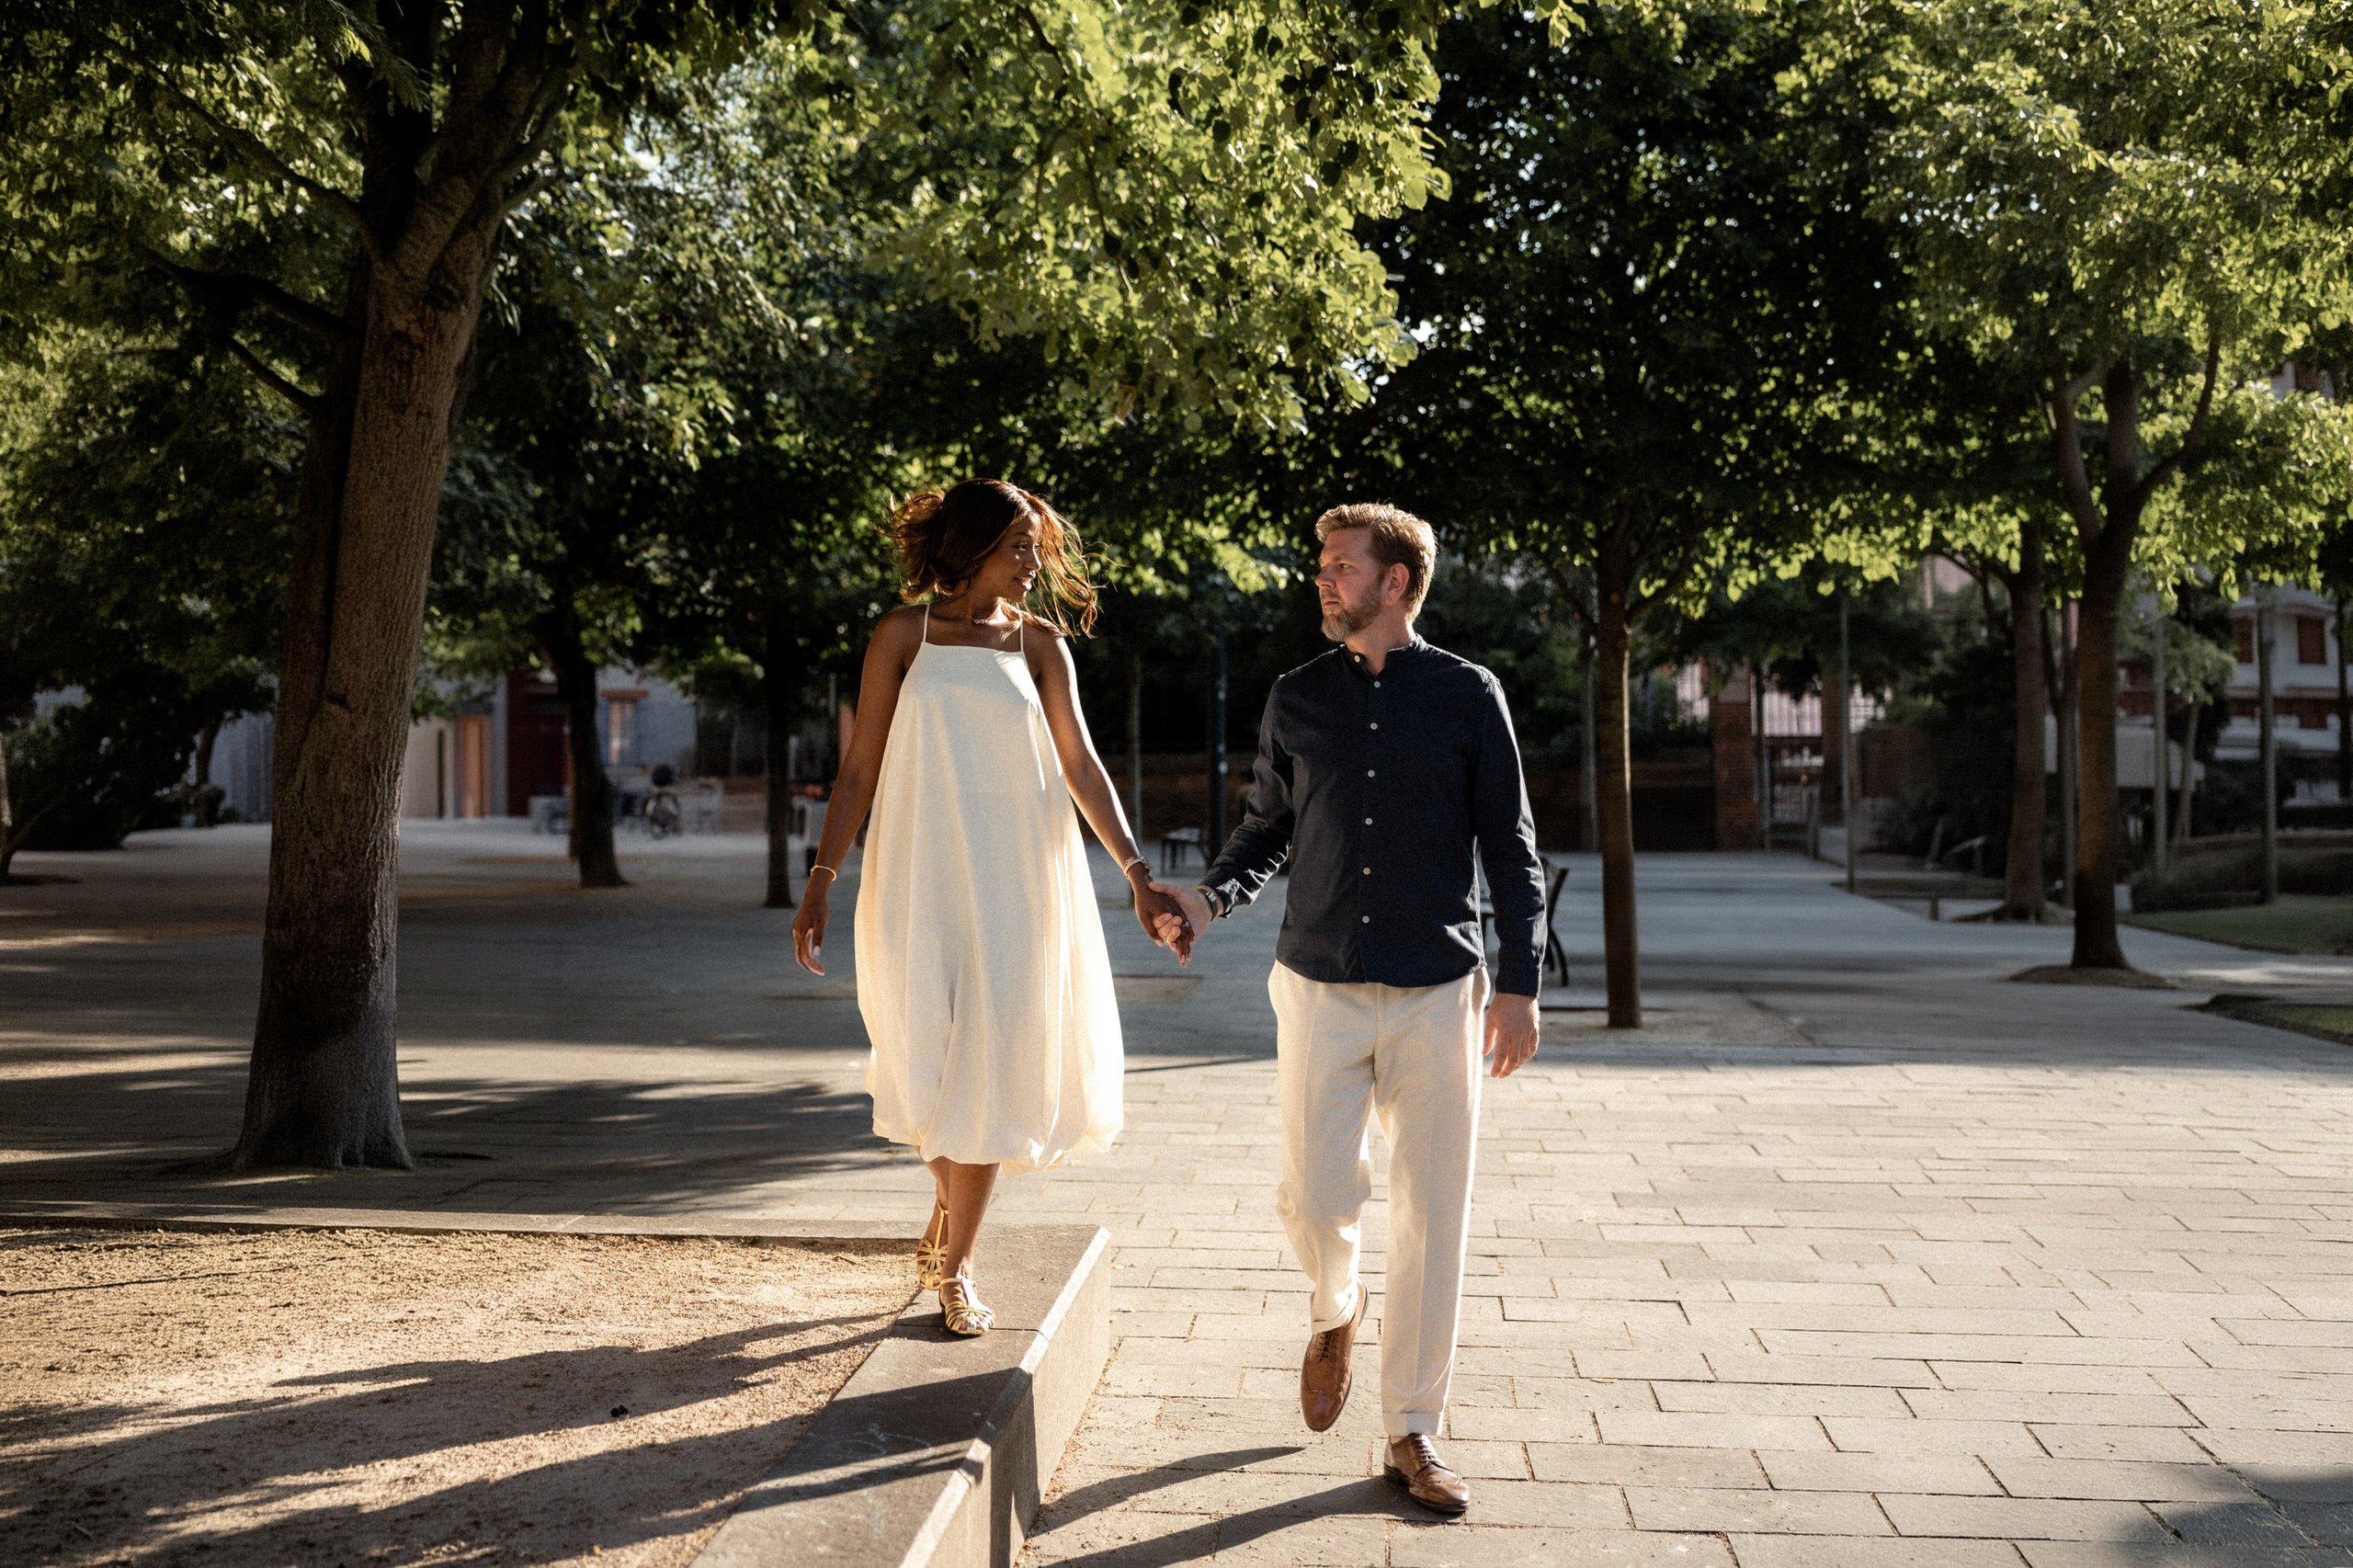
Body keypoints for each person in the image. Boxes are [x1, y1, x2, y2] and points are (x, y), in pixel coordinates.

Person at [1152, 503, 1544, 1517]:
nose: (1321, 581)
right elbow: (1265, 828)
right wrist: (1209, 895)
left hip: (1436, 988)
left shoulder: (1468, 694)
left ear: (1396, 582)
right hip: (1317, 977)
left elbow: (1510, 844)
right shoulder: (1296, 696)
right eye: (1321, 566)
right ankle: (1336, 1304)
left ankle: (1412, 1427)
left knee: (1430, 1211)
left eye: (1339, 567)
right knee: (1313, 1195)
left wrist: (1519, 982)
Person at [794, 479, 1185, 1335]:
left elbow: (1081, 766)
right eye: (1019, 547)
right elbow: (859, 769)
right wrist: (821, 879)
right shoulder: (903, 636)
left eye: (1036, 547)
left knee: (989, 1062)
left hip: (1017, 880)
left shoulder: (1041, 646)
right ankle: (950, 1212)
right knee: (925, 1053)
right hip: (919, 873)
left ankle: (957, 1267)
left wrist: (1136, 871)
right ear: (972, 550)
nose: (1034, 562)